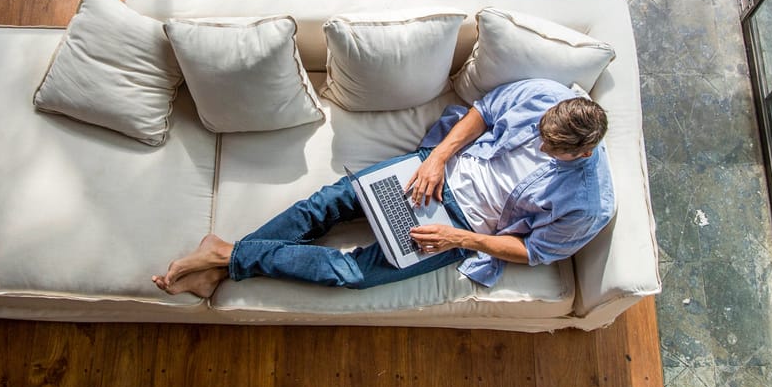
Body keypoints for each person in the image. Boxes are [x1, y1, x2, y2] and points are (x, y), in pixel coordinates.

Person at [153, 77, 616, 299]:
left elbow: (532, 252)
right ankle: (224, 259)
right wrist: (436, 158)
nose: (538, 142)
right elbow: (485, 111)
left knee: (352, 274)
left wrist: (462, 240)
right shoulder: (547, 96)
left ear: (580, 152)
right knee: (329, 204)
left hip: (459, 228)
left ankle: (225, 257)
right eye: (539, 131)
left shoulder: (587, 206)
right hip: (432, 176)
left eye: (549, 148)